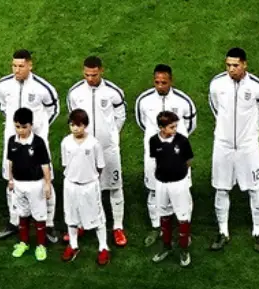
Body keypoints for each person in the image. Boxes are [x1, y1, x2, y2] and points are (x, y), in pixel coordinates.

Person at [207, 47, 259, 252]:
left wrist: (250, 132)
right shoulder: (217, 84)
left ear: (245, 64)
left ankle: (258, 232)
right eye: (228, 65)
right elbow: (215, 107)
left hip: (248, 147)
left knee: (254, 188)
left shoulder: (257, 87)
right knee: (221, 187)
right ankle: (223, 231)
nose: (231, 69)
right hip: (223, 145)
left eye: (235, 65)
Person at [0, 49, 59, 243]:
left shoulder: (43, 88)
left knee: (45, 182)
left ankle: (48, 224)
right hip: (13, 142)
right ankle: (14, 221)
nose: (17, 70)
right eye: (14, 65)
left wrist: (39, 130)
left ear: (30, 65)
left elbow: (53, 110)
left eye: (21, 66)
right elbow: (2, 107)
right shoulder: (3, 85)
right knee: (11, 180)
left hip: (36, 143)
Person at [66, 56, 127, 246]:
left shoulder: (113, 92)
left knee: (114, 186)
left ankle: (117, 226)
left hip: (108, 149)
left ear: (101, 70)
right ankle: (84, 222)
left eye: (93, 74)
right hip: (84, 151)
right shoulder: (75, 92)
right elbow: (74, 117)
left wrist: (110, 136)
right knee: (85, 187)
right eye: (86, 75)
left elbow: (120, 116)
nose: (90, 78)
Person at [135, 64, 197, 247]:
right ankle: (158, 227)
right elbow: (141, 122)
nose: (160, 86)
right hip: (154, 155)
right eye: (157, 82)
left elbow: (191, 124)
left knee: (183, 191)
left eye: (164, 82)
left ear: (171, 81)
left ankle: (185, 228)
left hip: (179, 155)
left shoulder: (183, 101)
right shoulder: (144, 100)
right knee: (153, 190)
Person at [60, 109, 110, 265]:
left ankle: (103, 247)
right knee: (71, 216)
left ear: (85, 125)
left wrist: (89, 177)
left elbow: (100, 166)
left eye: (78, 125)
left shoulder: (94, 143)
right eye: (72, 125)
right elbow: (65, 163)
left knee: (97, 216)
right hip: (70, 184)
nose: (75, 128)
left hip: (89, 185)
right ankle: (73, 245)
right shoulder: (66, 142)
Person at [148, 111, 195, 267]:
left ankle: (184, 250)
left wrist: (178, 172)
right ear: (161, 128)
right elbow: (156, 159)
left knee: (183, 217)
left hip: (178, 184)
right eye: (171, 127)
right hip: (161, 184)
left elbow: (188, 160)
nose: (175, 129)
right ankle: (166, 247)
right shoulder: (153, 141)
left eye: (176, 126)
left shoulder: (182, 141)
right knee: (164, 216)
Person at [7, 107, 51, 261]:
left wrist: (47, 184)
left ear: (31, 125)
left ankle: (41, 245)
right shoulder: (12, 141)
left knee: (39, 215)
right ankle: (23, 242)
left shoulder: (38, 143)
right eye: (17, 127)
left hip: (35, 184)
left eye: (24, 127)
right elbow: (10, 162)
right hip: (19, 184)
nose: (21, 130)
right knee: (22, 214)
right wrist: (10, 179)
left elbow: (45, 165)